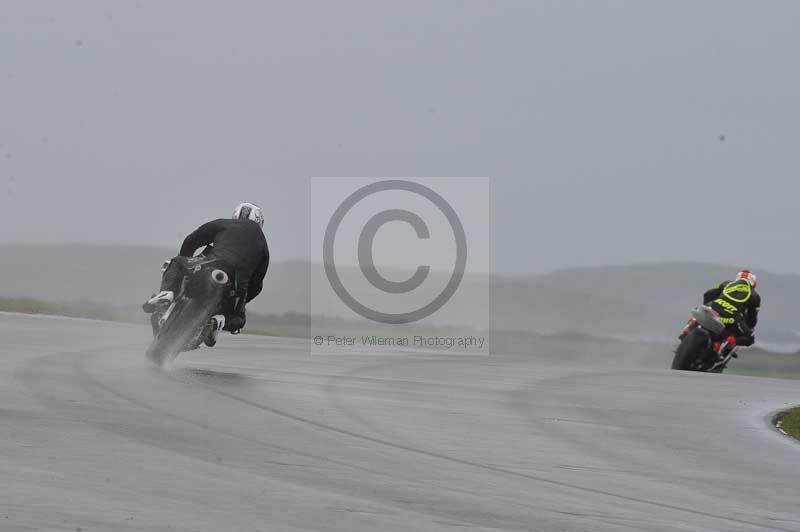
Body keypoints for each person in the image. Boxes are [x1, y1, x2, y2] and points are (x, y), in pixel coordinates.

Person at [143, 202, 269, 346]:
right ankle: (217, 321)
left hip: (208, 264)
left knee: (176, 262)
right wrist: (241, 300)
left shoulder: (225, 224)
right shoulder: (263, 246)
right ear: (259, 221)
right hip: (235, 285)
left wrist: (186, 260)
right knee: (238, 320)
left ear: (235, 216)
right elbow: (257, 285)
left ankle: (167, 293)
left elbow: (193, 239)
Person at [700, 269, 761, 352]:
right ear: (753, 283)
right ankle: (728, 344)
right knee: (749, 338)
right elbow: (752, 318)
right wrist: (748, 328)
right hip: (732, 319)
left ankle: (687, 330)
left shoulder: (727, 284)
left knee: (700, 312)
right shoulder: (755, 296)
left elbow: (708, 294)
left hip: (714, 311)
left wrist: (707, 305)